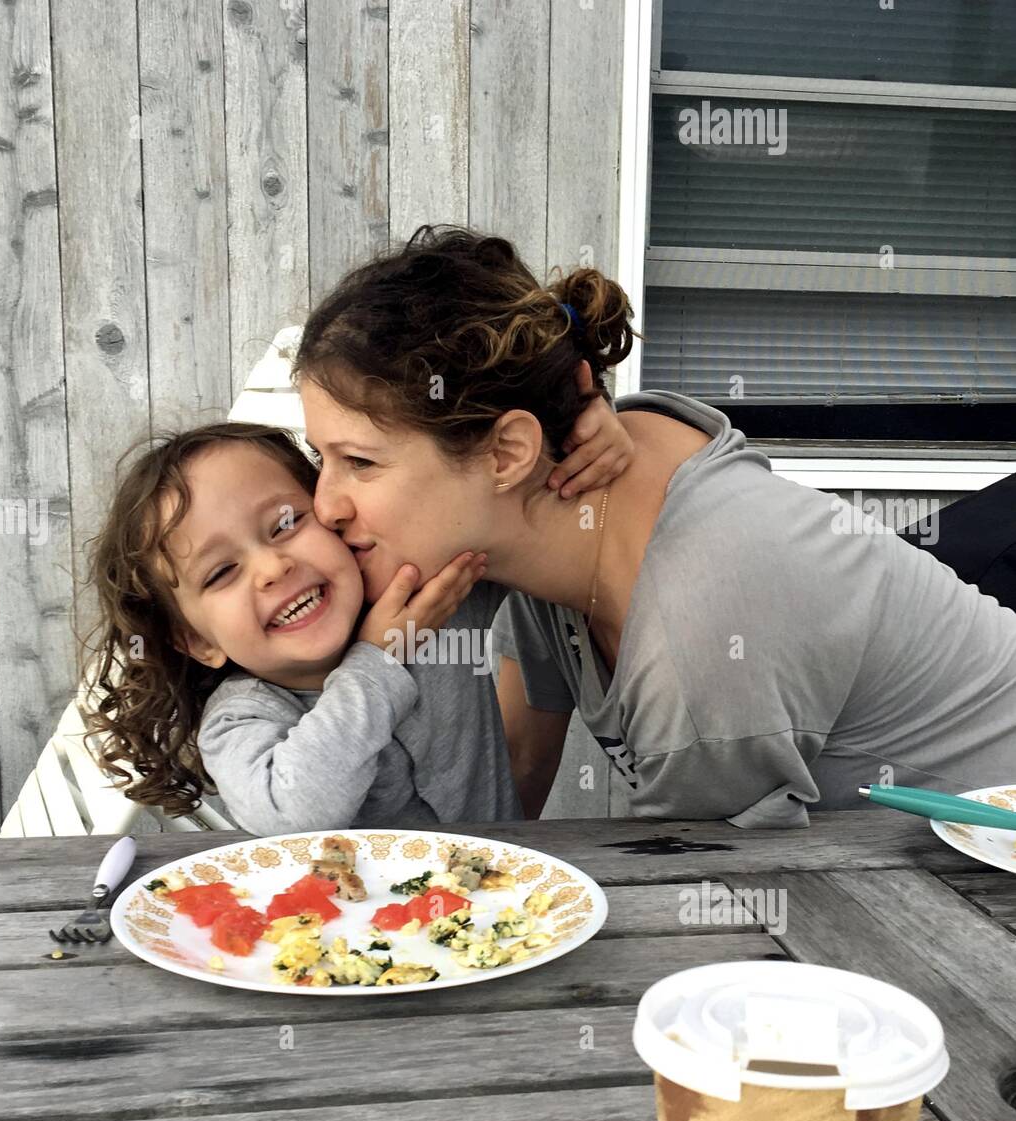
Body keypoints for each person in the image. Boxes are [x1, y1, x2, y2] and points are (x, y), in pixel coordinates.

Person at [294, 224, 1016, 828]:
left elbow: (701, 901)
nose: (325, 506)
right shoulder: (565, 504)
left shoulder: (697, 626)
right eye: (316, 457)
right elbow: (507, 788)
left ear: (509, 451)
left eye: (358, 462)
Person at [79, 403, 632, 832]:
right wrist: (375, 663)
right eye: (221, 573)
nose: (272, 567)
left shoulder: (427, 603)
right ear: (196, 640)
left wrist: (581, 422)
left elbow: (518, 516)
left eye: (286, 523)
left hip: (498, 914)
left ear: (332, 511)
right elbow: (295, 814)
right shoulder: (240, 719)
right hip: (347, 953)